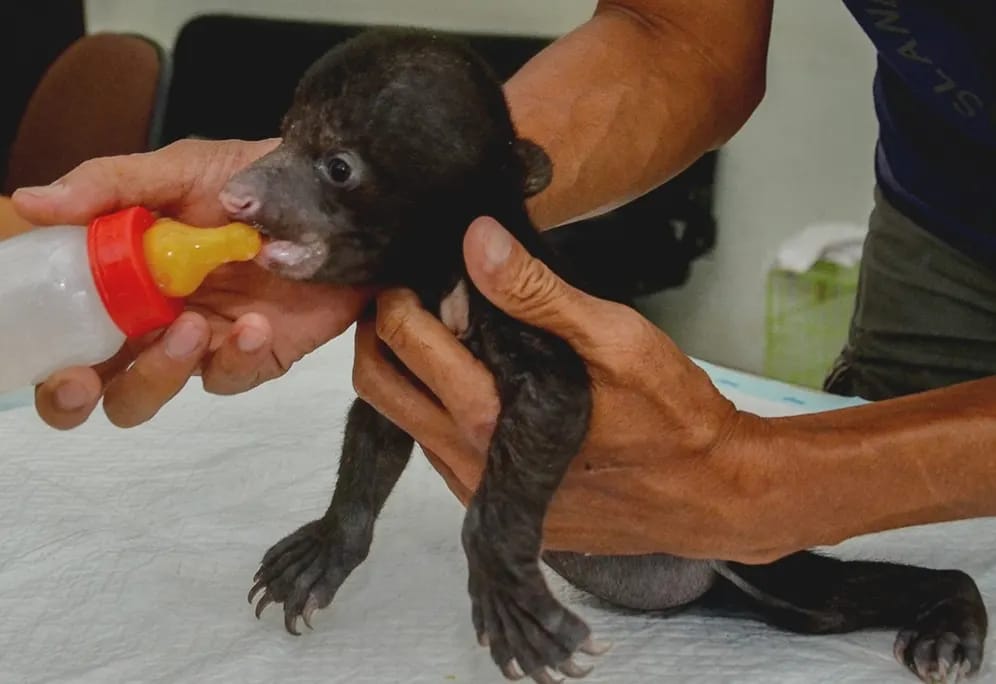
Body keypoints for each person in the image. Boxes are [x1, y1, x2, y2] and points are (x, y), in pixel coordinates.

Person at [10, 0, 996, 564]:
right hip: (951, 216)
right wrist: (380, 186)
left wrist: (772, 482)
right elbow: (676, 36)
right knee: (903, 568)